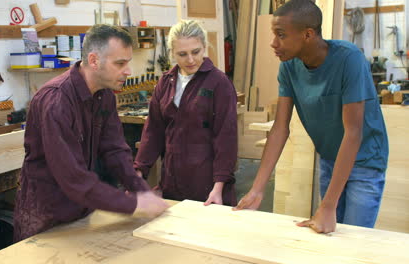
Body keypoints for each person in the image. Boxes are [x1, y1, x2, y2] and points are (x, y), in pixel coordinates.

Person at [234, 0, 388, 234]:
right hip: (329, 159)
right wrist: (257, 189)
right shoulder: (288, 67)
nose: (273, 43)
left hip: (365, 160)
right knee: (327, 235)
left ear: (307, 34)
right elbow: (279, 129)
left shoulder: (349, 59)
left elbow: (353, 133)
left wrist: (328, 206)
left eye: (281, 35)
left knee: (355, 238)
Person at [14, 25, 168, 242]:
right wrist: (134, 205)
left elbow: (115, 150)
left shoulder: (104, 95)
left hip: (81, 213)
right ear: (94, 61)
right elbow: (73, 178)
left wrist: (141, 190)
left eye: (128, 62)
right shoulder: (57, 102)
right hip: (46, 218)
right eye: (120, 63)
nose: (128, 71)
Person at [134, 20, 238, 206]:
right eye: (182, 54)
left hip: (208, 187)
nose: (190, 60)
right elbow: (153, 132)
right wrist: (139, 171)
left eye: (196, 52)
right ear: (172, 53)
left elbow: (226, 138)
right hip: (172, 183)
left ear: (204, 47)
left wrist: (219, 186)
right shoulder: (165, 83)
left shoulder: (219, 83)